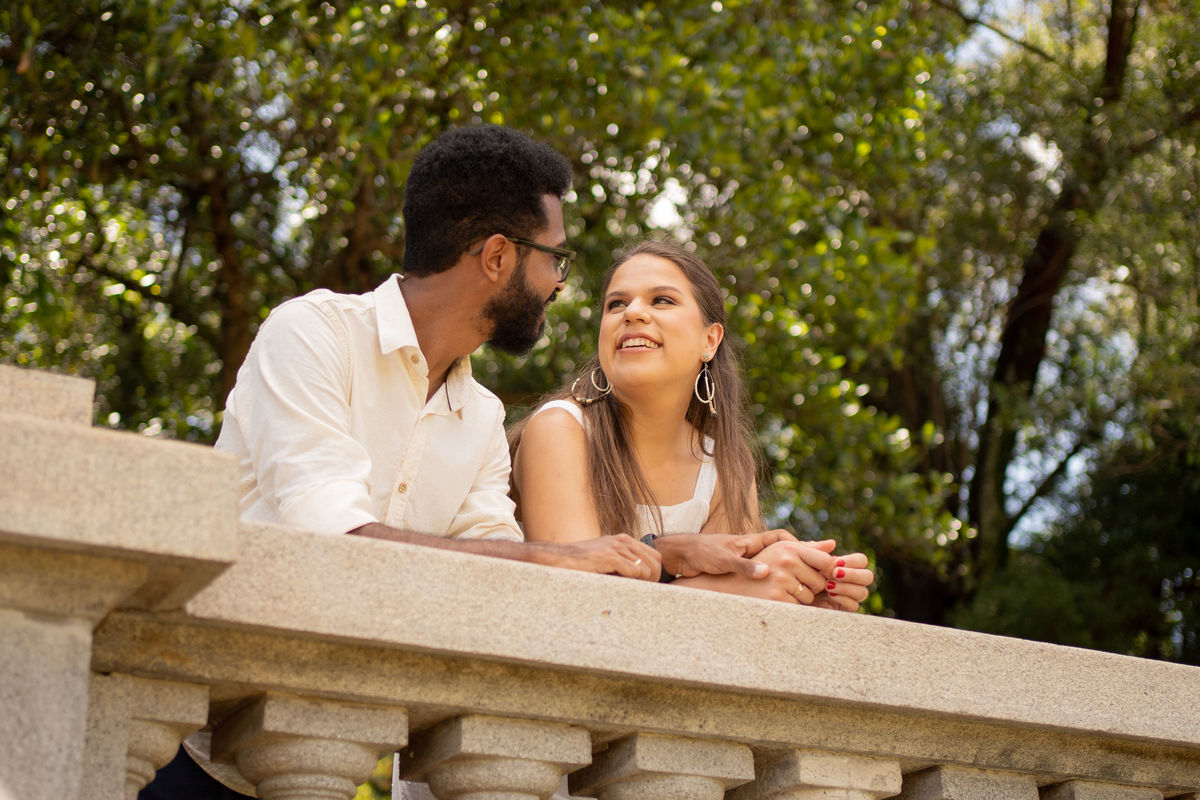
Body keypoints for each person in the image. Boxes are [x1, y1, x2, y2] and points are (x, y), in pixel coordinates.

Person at [140, 127, 789, 800]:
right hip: (190, 755)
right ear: (499, 258)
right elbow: (333, 541)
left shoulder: (479, 416)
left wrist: (663, 551)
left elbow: (498, 580)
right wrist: (558, 557)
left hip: (322, 760)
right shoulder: (311, 336)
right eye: (555, 261)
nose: (560, 284)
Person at [510, 240, 874, 608]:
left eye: (661, 300)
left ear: (710, 340)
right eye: (616, 304)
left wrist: (802, 592)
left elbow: (730, 621)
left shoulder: (723, 469)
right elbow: (577, 602)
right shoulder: (561, 429)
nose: (632, 313)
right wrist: (731, 590)